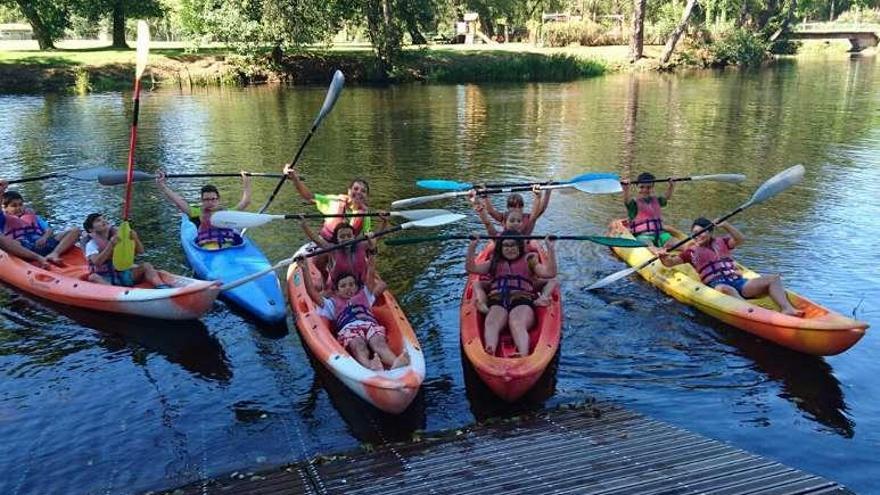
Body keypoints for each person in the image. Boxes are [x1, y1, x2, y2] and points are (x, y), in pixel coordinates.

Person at [658, 217, 804, 317]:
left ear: (709, 233)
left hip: (737, 281)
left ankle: (787, 308)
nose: (698, 236)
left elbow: (741, 239)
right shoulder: (690, 252)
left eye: (702, 232)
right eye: (695, 233)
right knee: (726, 289)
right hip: (717, 284)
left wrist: (726, 225)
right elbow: (670, 263)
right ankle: (753, 311)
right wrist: (663, 257)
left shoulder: (722, 242)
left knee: (773, 278)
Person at [299, 255, 410, 371]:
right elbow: (311, 293)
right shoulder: (331, 304)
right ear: (336, 291)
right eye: (343, 286)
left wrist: (371, 253)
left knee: (379, 343)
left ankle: (395, 362)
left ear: (357, 287)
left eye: (351, 285)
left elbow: (370, 272)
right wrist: (305, 268)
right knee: (359, 345)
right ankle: (370, 366)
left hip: (370, 324)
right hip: (349, 329)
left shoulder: (365, 295)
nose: (348, 288)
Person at [466, 231, 557, 357]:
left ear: (520, 246)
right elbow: (472, 269)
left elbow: (550, 273)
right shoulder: (494, 262)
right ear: (501, 248)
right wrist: (472, 246)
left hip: (522, 299)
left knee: (517, 321)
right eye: (506, 246)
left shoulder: (530, 260)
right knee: (491, 322)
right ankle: (490, 348)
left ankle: (523, 353)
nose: (509, 249)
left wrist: (550, 248)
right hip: (498, 300)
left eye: (513, 245)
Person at [155, 169, 251, 249]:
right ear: (202, 200)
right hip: (208, 251)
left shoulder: (227, 213)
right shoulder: (197, 212)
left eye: (213, 199)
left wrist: (246, 181)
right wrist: (162, 185)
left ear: (218, 199)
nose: (210, 202)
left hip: (229, 248)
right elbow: (179, 203)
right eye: (206, 199)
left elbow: (245, 202)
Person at [283, 164, 372, 241]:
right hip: (323, 244)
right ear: (349, 191)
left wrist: (383, 223)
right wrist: (295, 178)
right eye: (355, 189)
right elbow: (309, 197)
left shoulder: (365, 214)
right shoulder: (334, 201)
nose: (359, 192)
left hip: (345, 250)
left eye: (363, 191)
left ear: (366, 196)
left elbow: (368, 237)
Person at [1, 182, 80, 265]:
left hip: (42, 244)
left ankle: (54, 253)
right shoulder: (3, 219)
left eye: (20, 205)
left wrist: (44, 238)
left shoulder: (33, 216)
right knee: (8, 242)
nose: (19, 208)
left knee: (75, 230)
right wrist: (2, 190)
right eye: (14, 206)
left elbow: (49, 230)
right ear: (5, 208)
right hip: (23, 250)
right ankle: (37, 258)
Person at [82, 213, 167, 288]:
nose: (103, 221)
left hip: (123, 274)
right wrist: (111, 245)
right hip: (105, 278)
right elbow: (97, 262)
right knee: (93, 277)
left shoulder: (119, 237)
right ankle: (114, 292)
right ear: (91, 229)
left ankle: (161, 286)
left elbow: (140, 252)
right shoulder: (91, 244)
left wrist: (135, 238)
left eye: (104, 219)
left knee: (146, 266)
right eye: (98, 221)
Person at [299, 217, 386, 291]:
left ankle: (368, 300)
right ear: (337, 239)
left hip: (359, 285)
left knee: (382, 285)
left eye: (349, 236)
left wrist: (384, 222)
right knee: (323, 295)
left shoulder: (361, 245)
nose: (346, 239)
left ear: (353, 237)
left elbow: (377, 237)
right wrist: (304, 225)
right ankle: (324, 283)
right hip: (339, 289)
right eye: (342, 237)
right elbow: (316, 240)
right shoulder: (333, 249)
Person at [622, 172, 676, 252]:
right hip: (643, 236)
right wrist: (626, 189)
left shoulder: (657, 200)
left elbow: (667, 197)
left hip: (661, 233)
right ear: (637, 187)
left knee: (677, 243)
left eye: (648, 187)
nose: (645, 190)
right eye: (641, 187)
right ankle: (657, 252)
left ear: (652, 188)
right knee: (648, 245)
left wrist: (671, 185)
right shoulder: (634, 204)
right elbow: (627, 201)